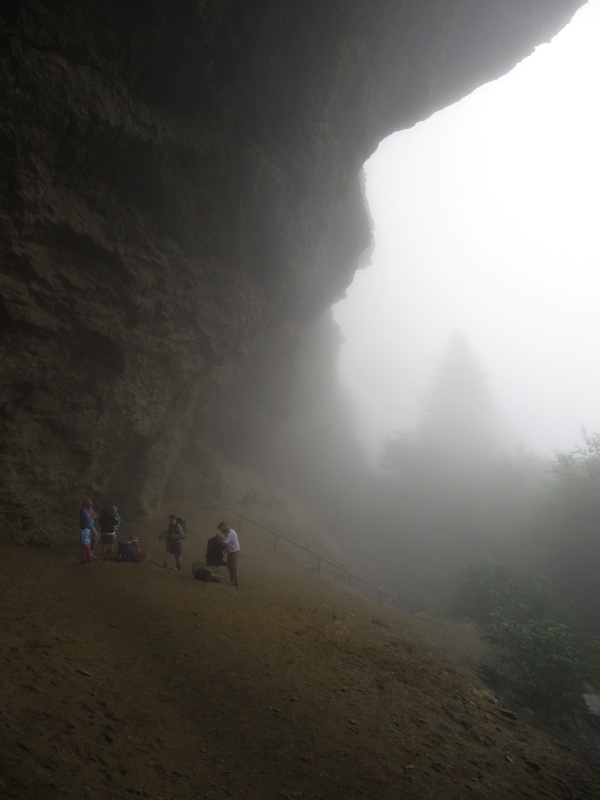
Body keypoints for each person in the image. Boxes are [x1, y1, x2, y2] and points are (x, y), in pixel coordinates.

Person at [217, 521, 240, 587]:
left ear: (224, 529)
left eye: (221, 530)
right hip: (231, 552)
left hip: (234, 553)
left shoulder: (230, 533)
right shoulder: (228, 533)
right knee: (230, 567)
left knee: (235, 568)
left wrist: (218, 538)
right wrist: (220, 538)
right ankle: (232, 581)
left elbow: (223, 543)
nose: (221, 531)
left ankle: (237, 582)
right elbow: (225, 540)